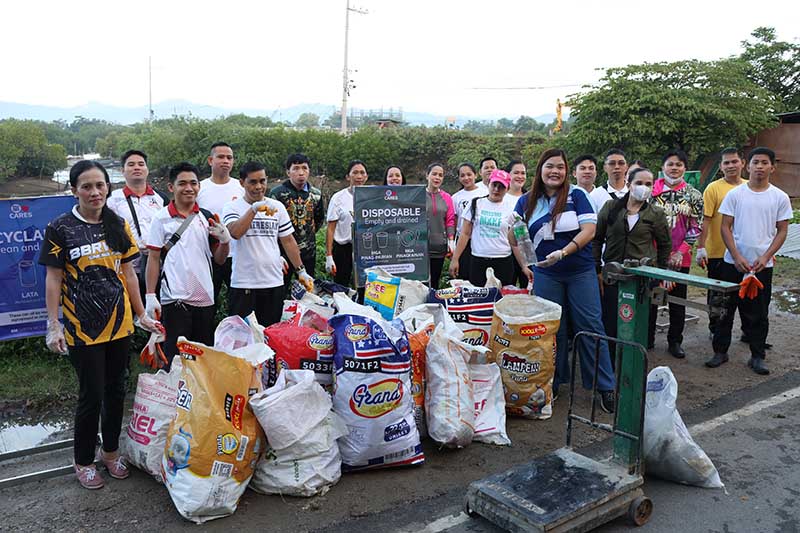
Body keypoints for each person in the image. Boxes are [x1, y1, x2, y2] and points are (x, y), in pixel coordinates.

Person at [40, 160, 161, 489]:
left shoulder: (117, 224)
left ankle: (110, 452)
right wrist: (53, 324)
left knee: (116, 391)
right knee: (91, 395)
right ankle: (83, 460)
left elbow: (129, 273)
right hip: (83, 329)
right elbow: (53, 278)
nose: (94, 192)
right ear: (74, 190)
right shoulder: (60, 228)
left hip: (120, 325)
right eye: (86, 186)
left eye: (100, 185)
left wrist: (141, 314)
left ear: (108, 187)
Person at [513, 148, 616, 412]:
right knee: (552, 330)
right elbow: (517, 238)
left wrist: (564, 251)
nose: (555, 171)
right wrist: (516, 241)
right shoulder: (525, 201)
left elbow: (590, 230)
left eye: (560, 167)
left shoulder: (577, 195)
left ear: (566, 171)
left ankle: (605, 385)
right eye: (550, 166)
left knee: (591, 324)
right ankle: (554, 381)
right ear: (540, 169)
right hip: (546, 273)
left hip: (579, 271)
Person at [706, 147, 792, 375]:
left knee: (758, 312)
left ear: (772, 167)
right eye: (756, 162)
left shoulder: (780, 197)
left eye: (764, 163)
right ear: (748, 165)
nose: (759, 167)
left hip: (762, 265)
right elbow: (725, 227)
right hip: (732, 263)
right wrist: (736, 256)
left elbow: (782, 230)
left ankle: (757, 355)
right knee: (724, 309)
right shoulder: (736, 195)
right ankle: (720, 351)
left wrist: (766, 256)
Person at [145, 162, 231, 368]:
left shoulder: (207, 217)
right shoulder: (161, 219)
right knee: (175, 356)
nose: (189, 188)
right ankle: (173, 387)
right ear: (171, 187)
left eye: (193, 183)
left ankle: (198, 389)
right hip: (174, 297)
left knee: (202, 355)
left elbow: (219, 259)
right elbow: (154, 258)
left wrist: (225, 241)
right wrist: (150, 295)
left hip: (204, 296)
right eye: (182, 183)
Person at [223, 162, 312, 327]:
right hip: (244, 283)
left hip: (273, 282)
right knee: (243, 334)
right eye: (253, 182)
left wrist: (301, 271)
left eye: (262, 181)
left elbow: (288, 240)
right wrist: (253, 210)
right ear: (242, 183)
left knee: (271, 332)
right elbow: (235, 232)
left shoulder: (277, 207)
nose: (258, 187)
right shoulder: (232, 207)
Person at [594, 167, 672, 352]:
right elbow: (597, 239)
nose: (643, 187)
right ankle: (611, 359)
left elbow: (665, 245)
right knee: (611, 320)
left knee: (641, 321)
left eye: (648, 184)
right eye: (639, 183)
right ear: (629, 184)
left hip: (643, 277)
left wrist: (660, 274)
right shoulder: (610, 208)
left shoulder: (656, 213)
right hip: (613, 275)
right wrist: (597, 269)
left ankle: (638, 358)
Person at [651, 149, 704, 358]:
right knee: (651, 299)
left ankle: (675, 342)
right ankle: (647, 339)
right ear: (663, 167)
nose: (674, 168)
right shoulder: (651, 192)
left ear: (685, 168)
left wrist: (680, 252)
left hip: (680, 258)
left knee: (678, 301)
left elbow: (696, 226)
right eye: (670, 164)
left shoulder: (694, 195)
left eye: (679, 164)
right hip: (653, 257)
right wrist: (658, 254)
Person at [696, 148, 747, 339]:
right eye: (726, 162)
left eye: (734, 161)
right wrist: (701, 247)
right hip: (718, 252)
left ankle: (748, 330)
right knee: (718, 295)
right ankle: (715, 329)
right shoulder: (713, 188)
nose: (731, 166)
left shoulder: (750, 186)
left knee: (747, 293)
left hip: (745, 253)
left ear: (743, 163)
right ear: (721, 166)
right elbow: (706, 220)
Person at [106, 150, 168, 301]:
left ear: (147, 169)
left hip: (157, 265)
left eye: (141, 164)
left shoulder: (161, 198)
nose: (137, 168)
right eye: (131, 164)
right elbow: (107, 232)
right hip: (127, 268)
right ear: (122, 171)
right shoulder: (112, 200)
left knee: (157, 307)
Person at [450, 169, 520, 287]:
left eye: (501, 187)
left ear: (507, 189)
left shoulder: (511, 209)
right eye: (494, 185)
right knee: (478, 295)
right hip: (478, 260)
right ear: (488, 184)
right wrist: (455, 259)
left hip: (503, 260)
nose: (496, 189)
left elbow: (514, 241)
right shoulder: (475, 204)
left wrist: (524, 266)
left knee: (501, 296)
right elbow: (465, 234)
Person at [197, 142, 243, 316]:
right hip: (208, 255)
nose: (226, 161)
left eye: (229, 158)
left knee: (238, 303)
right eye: (221, 157)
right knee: (208, 303)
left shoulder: (240, 187)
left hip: (237, 255)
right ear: (210, 160)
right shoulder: (199, 188)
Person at [269, 153, 325, 283]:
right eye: (296, 168)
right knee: (280, 287)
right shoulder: (277, 194)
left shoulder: (315, 194)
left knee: (308, 288)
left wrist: (306, 236)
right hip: (282, 252)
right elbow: (271, 222)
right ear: (288, 172)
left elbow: (319, 219)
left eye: (304, 168)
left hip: (308, 252)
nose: (301, 172)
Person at [325, 160, 369, 286]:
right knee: (341, 285)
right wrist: (329, 256)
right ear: (348, 176)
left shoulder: (372, 197)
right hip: (343, 248)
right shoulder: (338, 198)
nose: (359, 176)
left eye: (362, 173)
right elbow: (330, 228)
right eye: (355, 173)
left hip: (365, 248)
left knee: (365, 285)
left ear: (366, 176)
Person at [451, 162, 488, 281]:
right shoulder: (455, 197)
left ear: (475, 175)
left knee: (480, 275)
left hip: (480, 240)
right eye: (462, 175)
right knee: (464, 275)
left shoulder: (485, 193)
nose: (466, 178)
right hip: (463, 241)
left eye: (469, 174)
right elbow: (455, 222)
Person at [425, 162, 456, 288]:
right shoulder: (418, 195)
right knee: (420, 283)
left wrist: (451, 241)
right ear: (427, 175)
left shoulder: (447, 197)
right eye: (434, 174)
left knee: (434, 282)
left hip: (439, 246)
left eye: (440, 175)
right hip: (420, 247)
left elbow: (450, 220)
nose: (437, 177)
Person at [505, 159, 529, 286]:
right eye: (516, 173)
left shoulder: (530, 198)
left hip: (527, 250)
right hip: (505, 251)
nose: (520, 176)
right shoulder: (500, 197)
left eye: (523, 173)